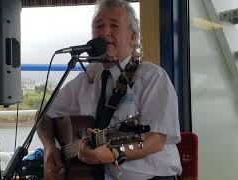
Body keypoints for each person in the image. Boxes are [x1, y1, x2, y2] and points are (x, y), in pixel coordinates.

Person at [37, 0, 182, 179]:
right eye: (99, 26)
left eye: (114, 25)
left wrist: (112, 154)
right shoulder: (87, 78)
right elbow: (43, 115)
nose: (105, 32)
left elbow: (155, 140)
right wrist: (50, 148)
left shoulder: (152, 77)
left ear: (132, 37)